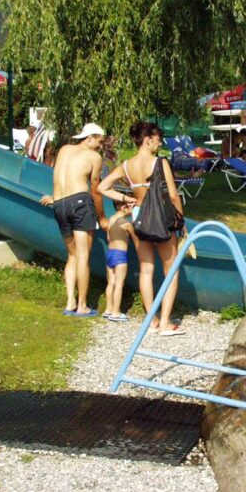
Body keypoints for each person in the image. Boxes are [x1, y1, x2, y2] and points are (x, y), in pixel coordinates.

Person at [97, 122, 185, 336]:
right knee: (171, 270)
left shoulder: (126, 165)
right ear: (148, 139)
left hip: (139, 217)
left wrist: (127, 198)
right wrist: (181, 221)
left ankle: (151, 320)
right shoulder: (159, 162)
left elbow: (102, 187)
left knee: (146, 269)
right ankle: (164, 322)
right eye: (157, 138)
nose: (159, 142)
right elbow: (173, 195)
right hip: (161, 218)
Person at [39, 123, 109, 317]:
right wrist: (102, 217)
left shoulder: (64, 150)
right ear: (89, 138)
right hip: (80, 203)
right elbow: (95, 190)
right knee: (83, 255)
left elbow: (60, 177)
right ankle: (83, 305)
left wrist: (56, 198)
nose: (100, 147)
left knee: (72, 255)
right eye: (99, 142)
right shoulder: (94, 157)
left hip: (60, 204)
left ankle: (70, 302)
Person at [103, 200, 138, 323]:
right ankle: (116, 312)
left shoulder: (111, 219)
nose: (132, 209)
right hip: (120, 255)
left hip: (110, 253)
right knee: (119, 283)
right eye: (131, 207)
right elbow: (136, 238)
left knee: (111, 282)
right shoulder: (126, 224)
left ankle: (108, 310)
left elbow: (108, 237)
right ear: (123, 207)